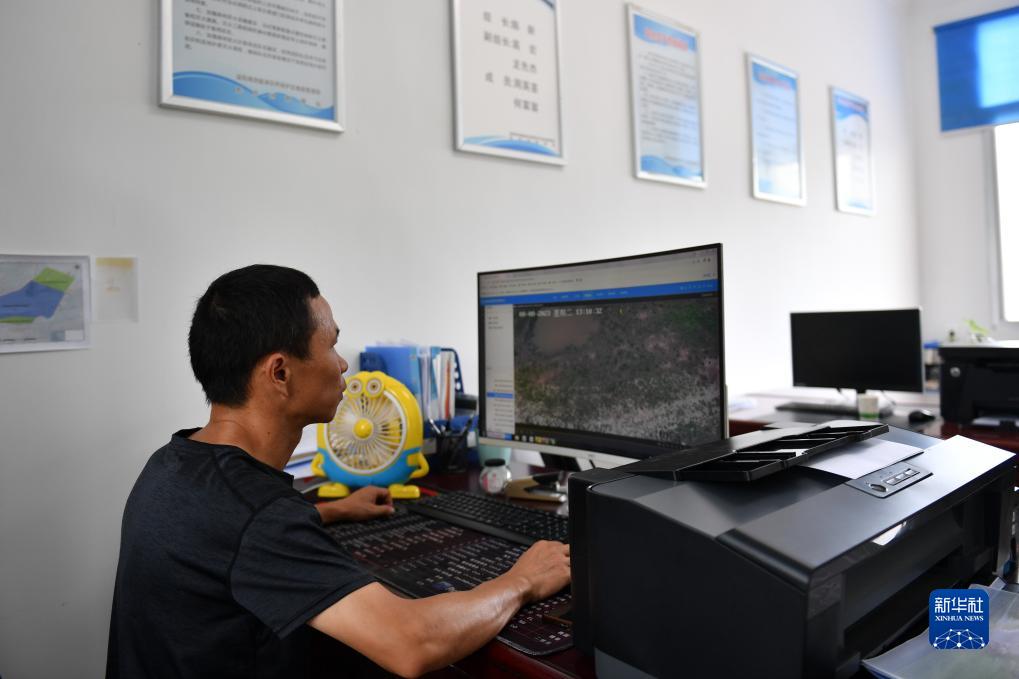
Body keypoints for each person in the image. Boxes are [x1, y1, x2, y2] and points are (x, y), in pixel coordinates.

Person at [106, 264, 570, 678]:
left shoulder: (172, 463)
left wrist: (328, 512)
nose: (343, 363)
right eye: (330, 344)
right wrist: (522, 581)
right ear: (280, 373)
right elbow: (411, 644)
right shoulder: (259, 518)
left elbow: (225, 541)